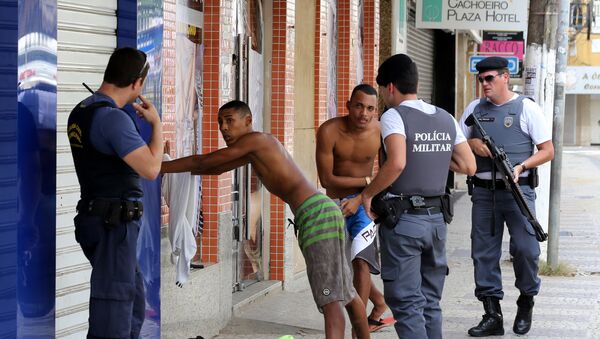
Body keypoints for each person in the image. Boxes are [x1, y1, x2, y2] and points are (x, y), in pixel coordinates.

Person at [161, 100, 370, 339]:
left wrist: (160, 166)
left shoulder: (256, 140)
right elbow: (213, 168)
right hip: (322, 211)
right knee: (346, 292)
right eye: (220, 122)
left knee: (331, 299)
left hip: (316, 215)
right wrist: (168, 163)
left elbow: (205, 162)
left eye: (230, 120)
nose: (224, 128)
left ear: (248, 121)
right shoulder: (254, 148)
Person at [348, 54, 476, 339]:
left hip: (405, 222)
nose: (382, 95)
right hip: (437, 224)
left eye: (382, 89)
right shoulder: (445, 117)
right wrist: (435, 157)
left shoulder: (394, 116)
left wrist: (367, 195)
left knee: (406, 303)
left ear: (390, 87)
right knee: (430, 302)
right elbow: (469, 165)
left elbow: (397, 163)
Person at [67, 47, 163, 338]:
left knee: (132, 302)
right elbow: (150, 168)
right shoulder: (113, 119)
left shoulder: (82, 111)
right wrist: (156, 125)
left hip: (99, 218)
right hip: (113, 225)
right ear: (137, 83)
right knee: (113, 312)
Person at [459, 56, 554, 337]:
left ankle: (526, 299)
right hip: (484, 193)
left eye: (489, 78)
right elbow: (456, 142)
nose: (484, 84)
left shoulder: (525, 108)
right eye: (481, 79)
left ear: (504, 76)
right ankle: (492, 315)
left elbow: (547, 150)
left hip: (518, 191)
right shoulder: (474, 109)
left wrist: (522, 166)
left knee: (526, 249)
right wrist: (471, 143)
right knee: (483, 253)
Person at [316, 84, 393, 332]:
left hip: (364, 204)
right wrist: (369, 181)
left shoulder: (381, 131)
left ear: (376, 110)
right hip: (335, 205)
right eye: (358, 106)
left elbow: (390, 168)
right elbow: (326, 179)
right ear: (348, 105)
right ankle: (379, 303)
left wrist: (368, 196)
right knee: (341, 266)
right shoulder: (329, 131)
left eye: (370, 108)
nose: (364, 113)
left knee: (360, 261)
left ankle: (357, 328)